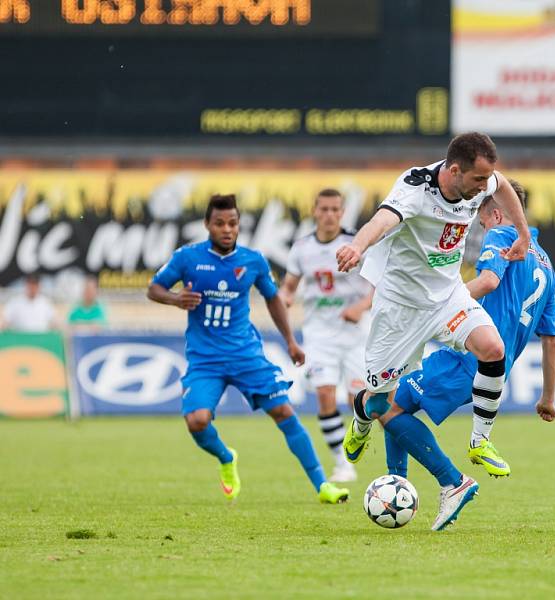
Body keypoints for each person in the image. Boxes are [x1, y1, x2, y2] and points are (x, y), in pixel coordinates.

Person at [336, 132, 532, 487]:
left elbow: (502, 186)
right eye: (477, 179)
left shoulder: (483, 181)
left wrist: (523, 234)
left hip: (448, 297)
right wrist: (357, 246)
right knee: (380, 401)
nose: (484, 186)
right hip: (401, 307)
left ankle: (479, 441)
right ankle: (361, 419)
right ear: (454, 170)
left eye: (487, 178)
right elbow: (381, 221)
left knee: (493, 348)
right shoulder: (414, 189)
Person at [379, 180, 555, 530]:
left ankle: (452, 481)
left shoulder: (501, 236)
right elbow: (551, 340)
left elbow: (489, 280)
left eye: (480, 219)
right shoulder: (546, 264)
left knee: (386, 407)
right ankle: (395, 486)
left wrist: (440, 304)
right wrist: (548, 398)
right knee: (397, 398)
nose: (479, 227)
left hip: (469, 359)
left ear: (495, 213)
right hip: (491, 370)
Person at [147, 194, 349, 504]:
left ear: (239, 225)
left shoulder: (253, 261)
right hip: (205, 360)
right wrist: (175, 299)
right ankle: (227, 457)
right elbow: (154, 288)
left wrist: (290, 341)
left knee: (283, 411)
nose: (226, 229)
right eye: (219, 223)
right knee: (197, 421)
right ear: (207, 225)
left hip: (246, 356)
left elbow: (273, 298)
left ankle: (323, 485)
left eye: (232, 223)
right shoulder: (187, 257)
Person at [279, 188, 373, 483]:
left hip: (357, 333)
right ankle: (342, 462)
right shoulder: (302, 248)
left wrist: (360, 306)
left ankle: (356, 443)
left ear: (342, 212)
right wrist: (282, 299)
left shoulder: (356, 244)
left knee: (358, 399)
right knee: (324, 394)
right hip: (319, 335)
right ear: (314, 211)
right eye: (324, 209)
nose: (330, 215)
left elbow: (380, 283)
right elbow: (289, 287)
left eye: (335, 209)